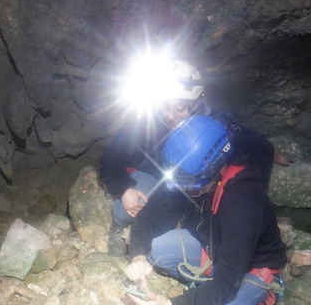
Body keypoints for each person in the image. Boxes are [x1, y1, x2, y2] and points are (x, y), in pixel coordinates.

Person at [124, 115, 287, 305]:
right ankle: (202, 293)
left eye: (188, 186)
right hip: (213, 248)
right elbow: (150, 217)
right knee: (154, 247)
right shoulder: (186, 174)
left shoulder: (243, 201)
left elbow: (227, 283)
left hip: (251, 268)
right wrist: (139, 257)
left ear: (213, 173)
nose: (181, 188)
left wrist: (170, 304)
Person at [99, 60, 276, 256]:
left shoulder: (214, 126)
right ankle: (120, 226)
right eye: (165, 107)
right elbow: (111, 156)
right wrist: (124, 189)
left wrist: (257, 197)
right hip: (161, 184)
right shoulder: (148, 122)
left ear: (196, 104)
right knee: (132, 204)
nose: (170, 116)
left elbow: (262, 148)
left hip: (195, 195)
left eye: (180, 108)